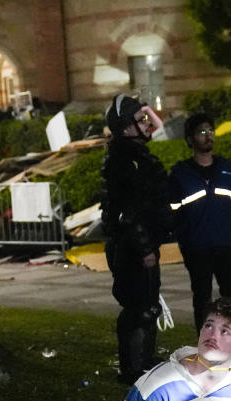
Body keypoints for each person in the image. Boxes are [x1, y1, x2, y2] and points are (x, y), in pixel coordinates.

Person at [100, 94, 169, 384]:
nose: (146, 124)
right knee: (139, 308)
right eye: (139, 120)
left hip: (141, 246)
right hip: (132, 249)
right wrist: (143, 247)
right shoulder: (125, 160)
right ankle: (134, 368)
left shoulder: (135, 156)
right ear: (125, 128)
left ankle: (143, 361)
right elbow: (129, 212)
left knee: (147, 306)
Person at [169, 113, 231, 332]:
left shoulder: (227, 168)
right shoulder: (180, 173)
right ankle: (206, 346)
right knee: (202, 298)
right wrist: (184, 236)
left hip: (225, 243)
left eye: (210, 131)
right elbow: (173, 209)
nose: (208, 136)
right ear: (190, 139)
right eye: (202, 132)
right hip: (196, 247)